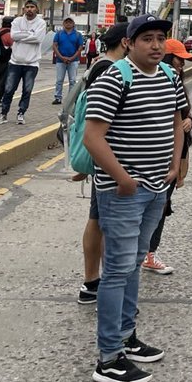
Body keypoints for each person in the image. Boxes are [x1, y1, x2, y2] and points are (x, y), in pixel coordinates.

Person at [84, 13, 186, 382]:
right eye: (147, 39)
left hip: (157, 189)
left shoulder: (170, 76)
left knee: (132, 265)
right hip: (124, 192)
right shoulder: (114, 78)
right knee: (117, 270)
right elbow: (93, 137)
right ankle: (108, 357)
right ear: (129, 43)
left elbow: (177, 121)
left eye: (161, 38)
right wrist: (123, 179)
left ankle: (127, 336)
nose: (157, 45)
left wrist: (174, 165)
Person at [70, 22, 127, 307]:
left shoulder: (100, 66)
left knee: (99, 221)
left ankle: (94, 282)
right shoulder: (110, 70)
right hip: (109, 159)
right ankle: (97, 283)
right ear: (127, 43)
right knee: (103, 222)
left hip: (104, 157)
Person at [142, 38, 192, 275]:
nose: (182, 65)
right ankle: (143, 253)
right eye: (178, 60)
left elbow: (185, 114)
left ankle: (148, 253)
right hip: (157, 158)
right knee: (153, 206)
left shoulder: (175, 82)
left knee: (161, 206)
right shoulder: (153, 82)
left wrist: (189, 120)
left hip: (174, 156)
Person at [0, 0, 47, 125]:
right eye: (27, 7)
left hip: (32, 63)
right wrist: (30, 35)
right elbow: (14, 36)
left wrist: (22, 36)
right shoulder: (17, 21)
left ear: (36, 9)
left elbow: (38, 38)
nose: (29, 9)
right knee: (9, 89)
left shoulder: (41, 23)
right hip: (15, 62)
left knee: (27, 90)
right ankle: (3, 113)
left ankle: (21, 113)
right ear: (24, 9)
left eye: (32, 7)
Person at [52, 17, 85, 106]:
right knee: (59, 80)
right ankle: (58, 97)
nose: (68, 24)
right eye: (66, 22)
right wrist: (61, 57)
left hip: (73, 61)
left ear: (73, 24)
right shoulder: (59, 34)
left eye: (70, 22)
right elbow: (54, 46)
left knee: (73, 80)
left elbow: (80, 47)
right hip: (60, 60)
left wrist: (72, 58)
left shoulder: (78, 35)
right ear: (63, 24)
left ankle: (71, 98)